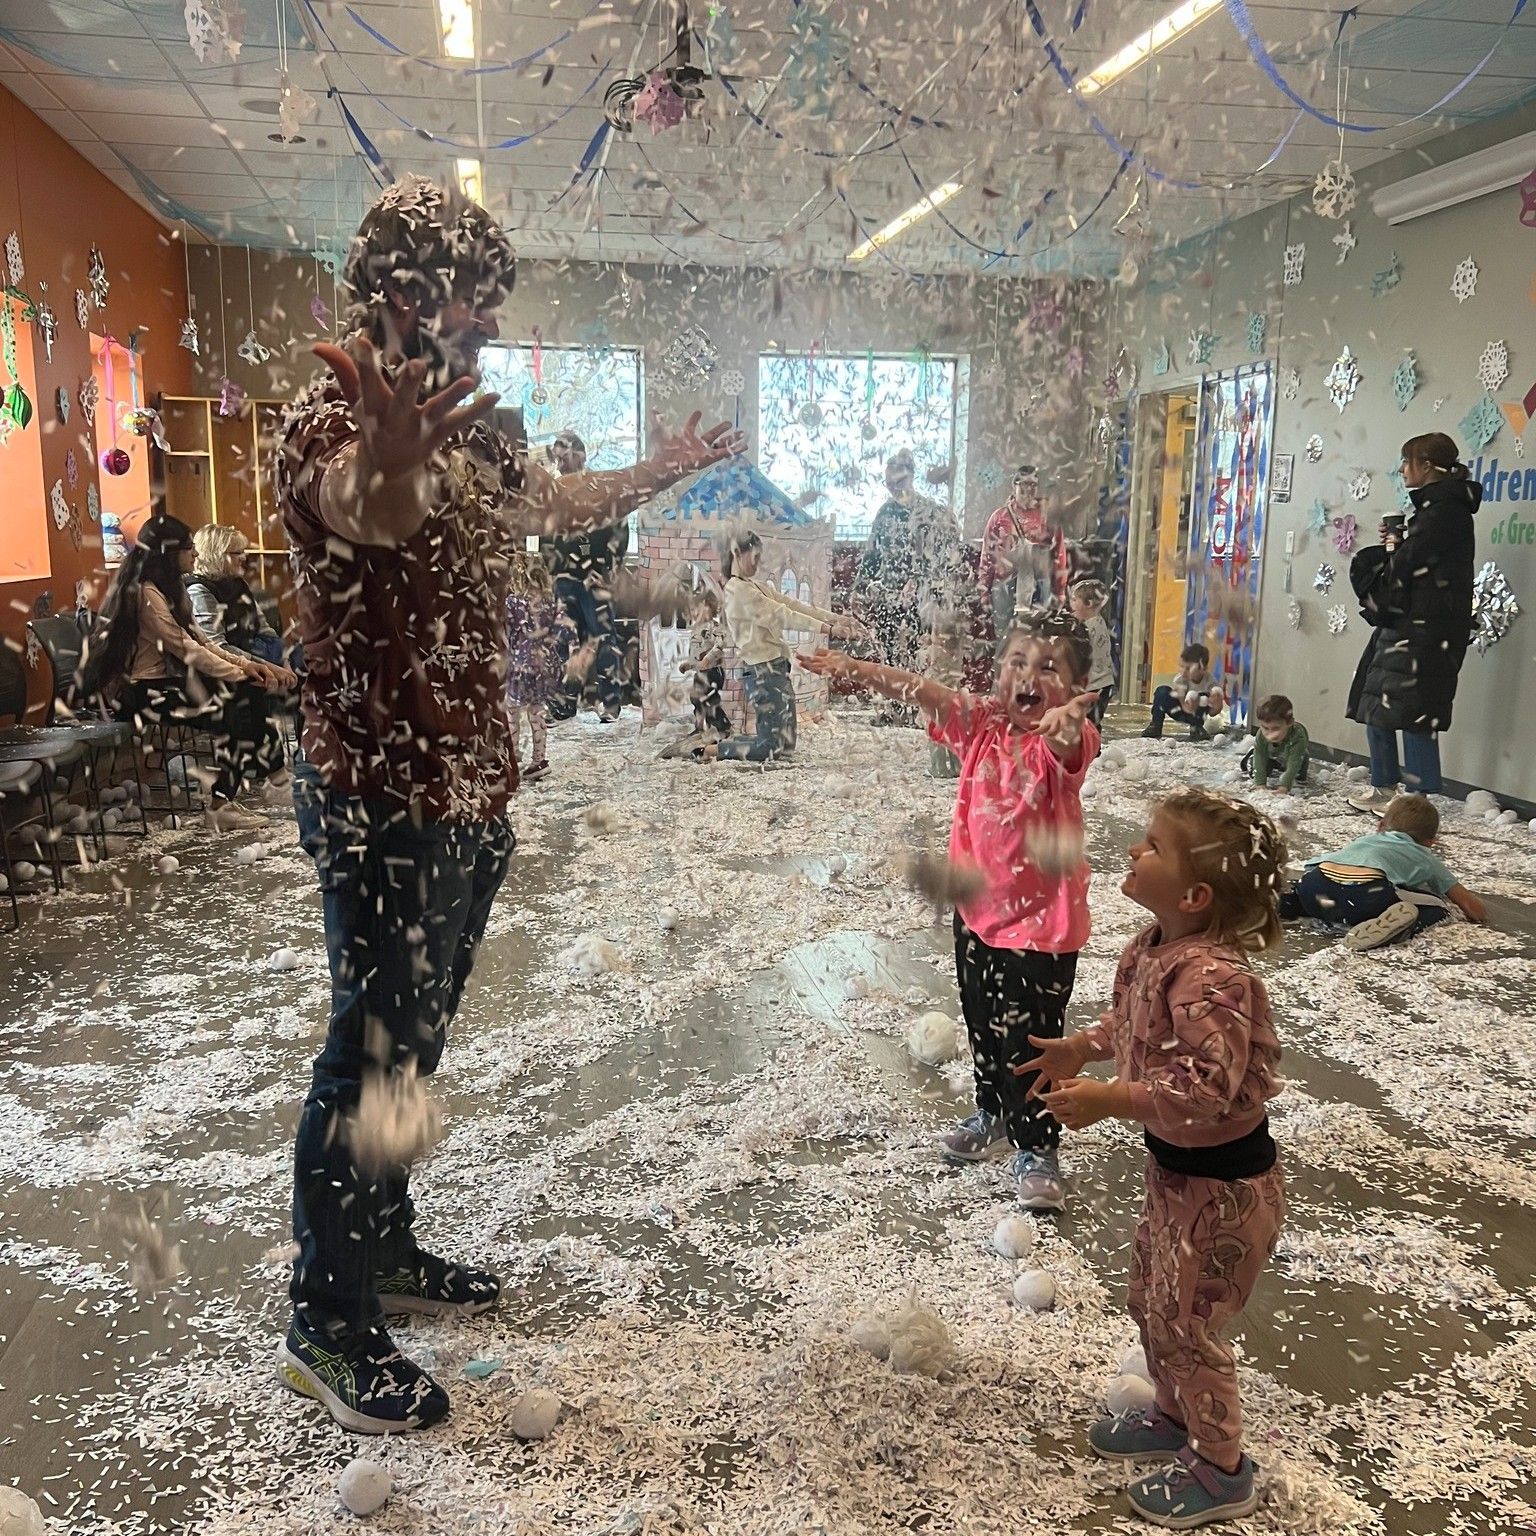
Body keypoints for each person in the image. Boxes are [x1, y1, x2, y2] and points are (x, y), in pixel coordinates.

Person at [274, 174, 741, 1435]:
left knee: (411, 1051)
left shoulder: (475, 422)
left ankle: (384, 1242)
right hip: (378, 786)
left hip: (468, 778)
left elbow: (550, 508)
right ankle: (327, 1311)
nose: (489, 325)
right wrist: (387, 459)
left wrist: (663, 469)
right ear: (409, 292)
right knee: (369, 1051)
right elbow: (363, 505)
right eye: (478, 303)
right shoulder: (330, 405)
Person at [1026, 790, 1287, 1529]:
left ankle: (1223, 1466)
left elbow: (1207, 1087)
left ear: (1196, 894)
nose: (1134, 852)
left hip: (1225, 1188)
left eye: (1151, 847)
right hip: (1175, 1174)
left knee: (1188, 1322)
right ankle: (1174, 1417)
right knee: (1151, 1300)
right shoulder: (1152, 947)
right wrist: (1084, 1044)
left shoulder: (1217, 979)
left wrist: (1111, 1097)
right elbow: (1134, 1018)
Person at [801, 610, 1100, 1212]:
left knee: (1031, 1041)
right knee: (981, 1020)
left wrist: (1067, 727)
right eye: (1018, 661)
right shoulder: (983, 725)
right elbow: (925, 690)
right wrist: (853, 669)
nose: (1029, 675)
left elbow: (1072, 747)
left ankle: (1038, 1144)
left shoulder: (1059, 745)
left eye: (1049, 668)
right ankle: (992, 1108)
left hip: (1041, 930)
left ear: (1074, 688)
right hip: (976, 912)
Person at [84, 513, 291, 831]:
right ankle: (248, 787)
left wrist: (248, 666)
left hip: (165, 684)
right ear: (168, 551)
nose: (194, 553)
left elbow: (203, 641)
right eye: (187, 547)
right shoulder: (146, 593)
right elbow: (185, 649)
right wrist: (239, 673)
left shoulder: (171, 589)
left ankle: (247, 789)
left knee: (248, 692)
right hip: (138, 693)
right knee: (241, 701)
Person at [1345, 432, 1479, 811]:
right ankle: (1385, 786)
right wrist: (1397, 543)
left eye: (1407, 462)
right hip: (1410, 623)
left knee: (1417, 711)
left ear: (1426, 467)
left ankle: (1418, 800)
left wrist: (1391, 555)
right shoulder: (1434, 511)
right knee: (1379, 702)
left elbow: (1409, 567)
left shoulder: (1445, 512)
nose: (1403, 470)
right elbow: (1414, 560)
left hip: (1426, 628)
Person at [700, 528, 866, 763]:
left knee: (784, 745)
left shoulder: (752, 586)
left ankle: (720, 748)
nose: (758, 564)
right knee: (771, 748)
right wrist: (828, 630)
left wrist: (836, 619)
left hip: (775, 669)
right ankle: (714, 751)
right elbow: (782, 614)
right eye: (755, 557)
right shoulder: (738, 592)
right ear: (737, 554)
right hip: (762, 672)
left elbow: (793, 604)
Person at [1279, 792, 1486, 951]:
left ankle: (1285, 904)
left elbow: (1310, 867)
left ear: (1380, 826)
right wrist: (1477, 911)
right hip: (1364, 897)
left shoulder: (1364, 841)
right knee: (1437, 906)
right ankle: (1398, 928)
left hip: (1315, 885)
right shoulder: (1427, 858)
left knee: (1321, 897)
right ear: (1431, 842)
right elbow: (1471, 908)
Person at [853, 449, 962, 689]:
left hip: (920, 598)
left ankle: (916, 706)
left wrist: (919, 580)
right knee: (888, 651)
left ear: (912, 476)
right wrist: (859, 588)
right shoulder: (885, 513)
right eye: (889, 483)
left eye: (899, 482)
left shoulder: (930, 512)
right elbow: (872, 554)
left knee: (917, 651)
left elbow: (941, 557)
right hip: (889, 593)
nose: (894, 488)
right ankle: (894, 708)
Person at [544, 430, 630, 723]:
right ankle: (565, 704)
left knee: (605, 638)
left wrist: (610, 568)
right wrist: (552, 571)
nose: (561, 465)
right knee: (564, 640)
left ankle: (610, 705)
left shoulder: (602, 488)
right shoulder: (555, 491)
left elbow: (620, 529)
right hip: (565, 580)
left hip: (596, 579)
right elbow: (547, 534)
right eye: (557, 460)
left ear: (580, 455)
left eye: (565, 458)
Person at [505, 552, 570, 783]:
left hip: (520, 666)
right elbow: (563, 631)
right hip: (545, 666)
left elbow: (507, 633)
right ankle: (539, 761)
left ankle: (511, 762)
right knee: (537, 712)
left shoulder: (513, 602)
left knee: (511, 713)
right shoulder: (551, 601)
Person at [186, 524, 287, 666]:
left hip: (257, 655)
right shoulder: (199, 591)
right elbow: (217, 648)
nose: (244, 557)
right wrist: (267, 666)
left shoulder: (238, 582)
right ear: (217, 555)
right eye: (238, 553)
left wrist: (285, 658)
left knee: (302, 655)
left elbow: (264, 629)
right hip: (235, 666)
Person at [979, 466, 1052, 632]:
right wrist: (984, 590)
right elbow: (987, 555)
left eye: (1033, 484)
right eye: (1024, 483)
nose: (1029, 489)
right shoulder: (1000, 517)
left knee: (1035, 641)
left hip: (1038, 586)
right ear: (1014, 486)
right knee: (1005, 640)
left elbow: (1055, 555)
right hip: (1005, 584)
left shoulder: (1046, 517)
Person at [677, 584, 732, 739]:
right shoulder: (696, 629)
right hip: (700, 672)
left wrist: (709, 658)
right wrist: (689, 664)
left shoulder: (715, 628)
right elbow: (695, 653)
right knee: (696, 699)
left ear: (711, 608)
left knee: (710, 700)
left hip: (713, 672)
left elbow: (721, 644)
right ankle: (700, 727)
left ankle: (724, 727)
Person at [1142, 643, 1223, 741]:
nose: (1183, 672)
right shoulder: (1181, 679)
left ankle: (1196, 729)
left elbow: (1212, 712)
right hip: (1180, 709)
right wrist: (1186, 703)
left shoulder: (1210, 682)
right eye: (1182, 667)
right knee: (1162, 691)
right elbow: (1180, 699)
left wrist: (1217, 705)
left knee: (1202, 697)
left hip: (1196, 716)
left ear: (1203, 669)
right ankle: (1156, 725)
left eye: (1188, 668)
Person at [1068, 579, 1115, 724]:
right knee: (1087, 722)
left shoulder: (1089, 629)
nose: (1072, 604)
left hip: (1097, 685)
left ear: (1088, 604)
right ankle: (1090, 744)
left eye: (1075, 600)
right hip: (1097, 684)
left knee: (1089, 723)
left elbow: (1078, 654)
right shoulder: (1095, 623)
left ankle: (1092, 745)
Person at [1243, 694, 1309, 792]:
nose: (1270, 734)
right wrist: (1260, 783)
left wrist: (1284, 786)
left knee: (1299, 774)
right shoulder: (1261, 735)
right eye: (1265, 728)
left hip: (1294, 755)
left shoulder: (1298, 736)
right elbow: (1259, 756)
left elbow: (1294, 763)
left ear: (1289, 723)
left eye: (1276, 728)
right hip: (1270, 755)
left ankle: (1288, 773)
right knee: (1255, 765)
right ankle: (1272, 766)